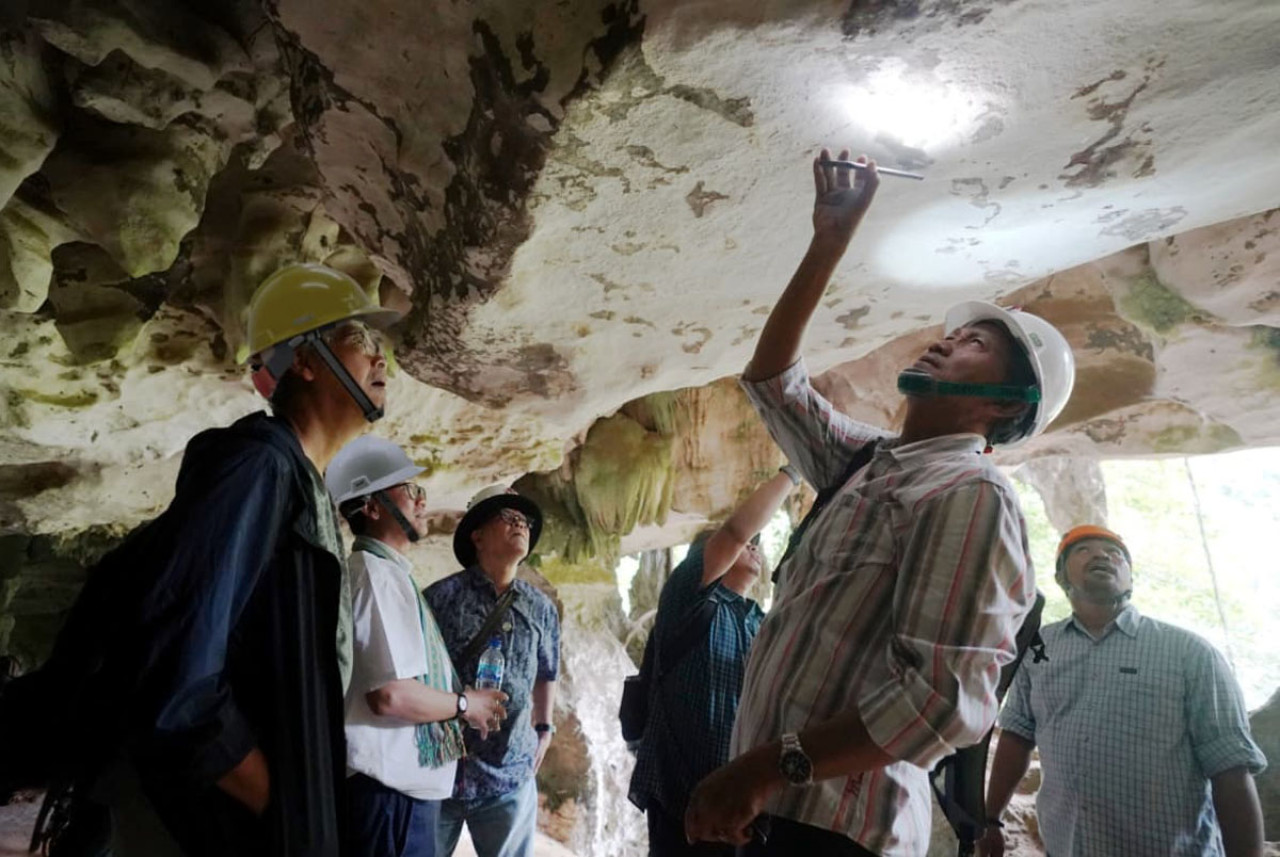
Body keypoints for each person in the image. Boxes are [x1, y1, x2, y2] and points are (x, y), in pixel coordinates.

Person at [682, 150, 1076, 857]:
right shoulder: (864, 461)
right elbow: (774, 380)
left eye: (973, 344)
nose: (943, 342)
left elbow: (938, 703)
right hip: (776, 815)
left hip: (841, 833)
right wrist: (828, 242)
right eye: (952, 332)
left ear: (1001, 403)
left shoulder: (972, 494)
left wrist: (765, 767)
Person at [86, 263, 403, 857]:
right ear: (306, 363)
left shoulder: (301, 484)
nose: (379, 357)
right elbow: (180, 675)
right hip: (224, 823)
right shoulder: (255, 468)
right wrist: (278, 804)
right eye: (358, 340)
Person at [981, 525, 1267, 857]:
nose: (1102, 555)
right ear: (1061, 578)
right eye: (1083, 550)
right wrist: (992, 818)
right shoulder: (1039, 648)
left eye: (1115, 553)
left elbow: (1230, 769)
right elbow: (1017, 735)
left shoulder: (1190, 653)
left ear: (1130, 580)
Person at [327, 436, 510, 857]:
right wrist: (466, 705)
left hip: (400, 798)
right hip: (390, 798)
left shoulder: (391, 575)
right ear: (372, 508)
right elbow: (391, 695)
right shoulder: (375, 575)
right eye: (409, 490)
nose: (422, 500)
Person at [629, 467, 802, 856]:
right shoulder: (688, 602)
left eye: (759, 544)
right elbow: (734, 533)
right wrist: (793, 471)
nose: (754, 546)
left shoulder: (762, 622)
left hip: (743, 802)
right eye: (747, 543)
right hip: (680, 797)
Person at [425, 487, 561, 857]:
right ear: (477, 535)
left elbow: (548, 672)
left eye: (525, 521)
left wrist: (545, 729)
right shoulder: (439, 598)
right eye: (508, 516)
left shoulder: (541, 608)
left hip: (510, 774)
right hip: (441, 769)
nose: (521, 524)